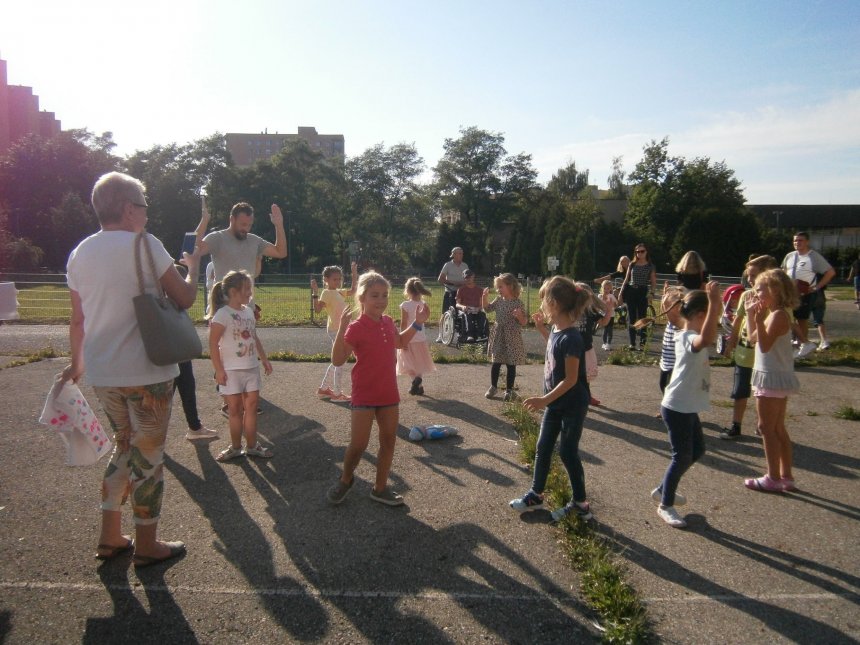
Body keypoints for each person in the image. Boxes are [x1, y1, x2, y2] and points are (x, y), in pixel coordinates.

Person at [62, 171, 200, 567]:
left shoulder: (80, 253)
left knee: (124, 447)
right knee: (149, 458)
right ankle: (147, 544)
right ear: (128, 209)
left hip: (103, 372)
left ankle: (109, 535)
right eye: (143, 206)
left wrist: (77, 365)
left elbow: (78, 320)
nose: (146, 214)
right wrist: (193, 266)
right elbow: (185, 298)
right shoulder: (146, 244)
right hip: (147, 369)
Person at [327, 271, 429, 506]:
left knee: (388, 441)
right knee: (358, 445)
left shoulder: (388, 322)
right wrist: (342, 328)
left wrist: (417, 323)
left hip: (388, 393)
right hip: (364, 394)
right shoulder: (356, 327)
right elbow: (338, 360)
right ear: (362, 297)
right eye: (375, 295)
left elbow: (400, 342)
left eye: (384, 295)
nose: (381, 300)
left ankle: (380, 488)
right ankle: (345, 479)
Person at [510, 276, 594, 521]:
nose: (541, 305)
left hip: (572, 404)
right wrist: (541, 329)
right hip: (556, 403)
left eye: (543, 300)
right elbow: (554, 347)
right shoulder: (558, 331)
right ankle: (536, 494)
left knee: (567, 452)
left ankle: (580, 504)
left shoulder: (573, 338)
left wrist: (544, 400)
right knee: (543, 447)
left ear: (554, 304)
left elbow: (571, 379)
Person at [653, 281, 722, 528]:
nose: (715, 321)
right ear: (702, 315)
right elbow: (706, 339)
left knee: (697, 450)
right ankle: (665, 505)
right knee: (681, 456)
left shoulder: (689, 335)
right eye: (712, 316)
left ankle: (664, 489)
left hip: (686, 406)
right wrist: (714, 303)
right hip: (677, 407)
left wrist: (712, 305)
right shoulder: (688, 337)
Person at [743, 269, 801, 492]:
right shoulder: (773, 313)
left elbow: (765, 346)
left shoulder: (778, 315)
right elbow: (753, 339)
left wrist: (759, 320)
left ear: (775, 289)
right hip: (774, 375)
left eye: (760, 289)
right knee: (777, 428)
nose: (756, 293)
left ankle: (773, 477)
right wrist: (751, 315)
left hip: (771, 377)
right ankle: (786, 476)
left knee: (766, 427)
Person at [208, 270, 274, 462]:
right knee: (235, 410)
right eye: (247, 289)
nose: (250, 293)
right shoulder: (222, 314)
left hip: (251, 368)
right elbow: (213, 343)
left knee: (251, 408)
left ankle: (252, 446)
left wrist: (264, 359)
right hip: (231, 371)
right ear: (233, 292)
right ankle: (236, 447)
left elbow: (254, 337)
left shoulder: (248, 312)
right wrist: (219, 370)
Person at [720, 255, 778, 440]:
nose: (750, 279)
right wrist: (731, 342)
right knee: (740, 391)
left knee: (763, 395)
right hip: (744, 353)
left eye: (754, 275)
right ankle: (736, 425)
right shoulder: (746, 295)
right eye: (748, 275)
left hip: (764, 357)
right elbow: (738, 320)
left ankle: (763, 426)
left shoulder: (776, 301)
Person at [194, 199, 287, 282]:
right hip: (223, 296)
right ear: (232, 219)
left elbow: (281, 252)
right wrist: (204, 220)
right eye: (243, 224)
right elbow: (193, 250)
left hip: (248, 297)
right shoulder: (217, 238)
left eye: (249, 225)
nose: (246, 229)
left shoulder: (255, 241)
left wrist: (279, 225)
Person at [659, 252, 709, 394]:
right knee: (675, 379)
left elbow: (671, 318)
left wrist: (666, 300)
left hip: (678, 340)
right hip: (687, 339)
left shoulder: (678, 293)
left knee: (668, 381)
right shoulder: (700, 294)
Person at [781, 232, 835, 357]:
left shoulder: (813, 256)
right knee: (789, 317)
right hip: (789, 292)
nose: (797, 243)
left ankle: (804, 346)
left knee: (801, 319)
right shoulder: (789, 256)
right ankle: (796, 344)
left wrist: (816, 287)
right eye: (795, 240)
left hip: (804, 293)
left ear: (807, 242)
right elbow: (783, 271)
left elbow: (830, 272)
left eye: (800, 240)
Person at [311, 262, 358, 401]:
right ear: (326, 279)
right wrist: (315, 292)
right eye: (334, 279)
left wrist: (354, 273)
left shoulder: (338, 291)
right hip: (336, 330)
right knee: (340, 361)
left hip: (341, 329)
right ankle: (337, 394)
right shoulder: (326, 293)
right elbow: (318, 310)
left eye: (339, 279)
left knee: (337, 360)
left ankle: (323, 389)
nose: (338, 281)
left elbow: (353, 290)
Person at [482, 273, 528, 401]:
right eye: (497, 287)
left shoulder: (518, 303)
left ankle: (509, 391)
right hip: (499, 334)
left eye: (501, 287)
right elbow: (487, 309)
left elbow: (524, 322)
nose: (498, 290)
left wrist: (519, 316)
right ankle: (493, 387)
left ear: (510, 286)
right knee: (496, 361)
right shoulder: (498, 300)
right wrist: (484, 298)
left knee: (511, 364)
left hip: (512, 336)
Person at [574, 282, 612, 406]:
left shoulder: (590, 310)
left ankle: (587, 395)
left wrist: (609, 309)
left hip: (586, 347)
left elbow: (604, 322)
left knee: (586, 374)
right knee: (572, 374)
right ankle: (574, 397)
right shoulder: (570, 309)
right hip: (572, 348)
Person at [398, 277, 437, 395]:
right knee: (419, 363)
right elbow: (426, 318)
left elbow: (403, 323)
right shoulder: (423, 304)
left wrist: (402, 339)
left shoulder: (405, 305)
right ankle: (419, 383)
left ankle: (415, 380)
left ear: (407, 291)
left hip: (409, 339)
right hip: (421, 339)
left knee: (407, 363)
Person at [619, 244, 656, 350]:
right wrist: (621, 293)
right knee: (631, 317)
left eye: (642, 251)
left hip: (642, 291)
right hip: (631, 291)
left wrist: (651, 294)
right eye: (637, 252)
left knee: (642, 318)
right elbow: (626, 279)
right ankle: (632, 343)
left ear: (646, 252)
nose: (640, 253)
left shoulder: (650, 266)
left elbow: (653, 282)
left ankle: (642, 344)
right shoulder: (632, 264)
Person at [436, 247, 469, 342]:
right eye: (459, 253)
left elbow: (468, 279)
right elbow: (440, 279)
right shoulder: (448, 265)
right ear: (453, 255)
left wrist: (464, 283)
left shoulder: (465, 265)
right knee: (445, 313)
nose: (461, 255)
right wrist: (453, 283)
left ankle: (462, 333)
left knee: (462, 313)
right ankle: (441, 335)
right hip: (450, 292)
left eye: (462, 253)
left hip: (462, 293)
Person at [456, 269, 486, 340]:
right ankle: (470, 334)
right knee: (468, 314)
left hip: (476, 309)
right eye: (466, 277)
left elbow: (481, 304)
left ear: (473, 276)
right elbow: (457, 304)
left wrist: (479, 308)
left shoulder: (479, 290)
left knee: (482, 315)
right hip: (465, 310)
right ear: (464, 278)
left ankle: (480, 334)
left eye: (470, 277)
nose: (468, 279)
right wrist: (463, 307)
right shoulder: (461, 290)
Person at [599, 279, 618, 351]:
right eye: (604, 288)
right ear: (602, 288)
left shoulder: (611, 296)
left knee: (609, 330)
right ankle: (604, 343)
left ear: (610, 289)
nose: (606, 290)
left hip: (611, 315)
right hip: (603, 315)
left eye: (608, 288)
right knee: (605, 330)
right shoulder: (600, 296)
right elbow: (598, 304)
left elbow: (616, 304)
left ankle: (608, 344)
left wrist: (614, 305)